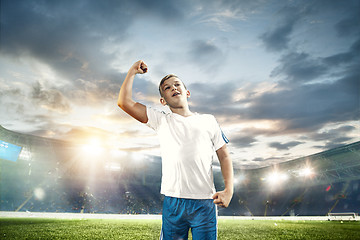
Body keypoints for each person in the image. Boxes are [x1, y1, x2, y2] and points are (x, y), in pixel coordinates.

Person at [117, 60, 233, 240]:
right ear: (163, 100)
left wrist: (229, 190)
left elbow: (224, 155)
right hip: (174, 201)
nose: (173, 88)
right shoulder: (161, 120)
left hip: (204, 201)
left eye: (177, 84)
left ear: (187, 92)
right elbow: (124, 102)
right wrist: (132, 71)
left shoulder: (209, 120)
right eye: (167, 88)